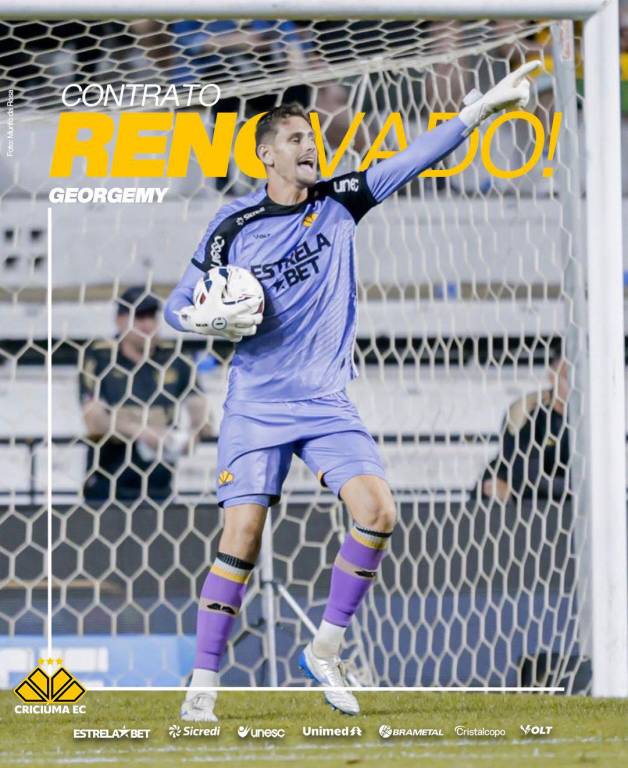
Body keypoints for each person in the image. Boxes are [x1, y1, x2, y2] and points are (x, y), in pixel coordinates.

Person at [164, 61, 541, 721]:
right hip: (256, 404)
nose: (310, 146)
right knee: (242, 537)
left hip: (326, 402)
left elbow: (415, 158)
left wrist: (477, 113)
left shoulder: (342, 198)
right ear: (265, 156)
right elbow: (175, 305)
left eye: (312, 137)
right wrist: (201, 319)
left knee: (379, 511)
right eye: (295, 140)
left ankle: (326, 649)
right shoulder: (233, 224)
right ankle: (202, 684)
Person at [80, 286, 209, 503]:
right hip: (106, 483)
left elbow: (202, 415)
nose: (147, 325)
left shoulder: (175, 358)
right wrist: (140, 431)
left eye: (152, 317)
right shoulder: (100, 356)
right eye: (139, 317)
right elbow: (93, 419)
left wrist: (191, 435)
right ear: (120, 321)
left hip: (159, 485)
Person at [480, 350, 570, 503]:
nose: (574, 385)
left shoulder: (595, 420)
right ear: (552, 377)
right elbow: (530, 480)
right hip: (526, 498)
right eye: (567, 377)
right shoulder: (529, 412)